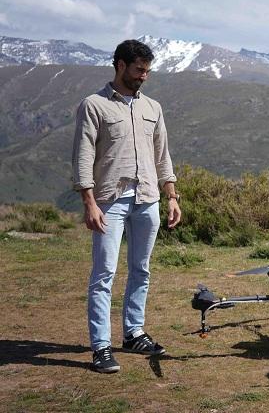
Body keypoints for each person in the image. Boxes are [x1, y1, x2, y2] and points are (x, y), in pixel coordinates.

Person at [72, 39, 181, 373]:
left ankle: (134, 332)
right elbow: (83, 156)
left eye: (147, 71)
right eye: (138, 70)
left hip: (148, 200)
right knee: (104, 273)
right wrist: (89, 203)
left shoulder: (153, 107)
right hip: (109, 201)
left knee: (141, 269)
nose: (143, 77)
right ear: (120, 65)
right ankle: (101, 346)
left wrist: (172, 195)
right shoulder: (94, 105)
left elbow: (162, 154)